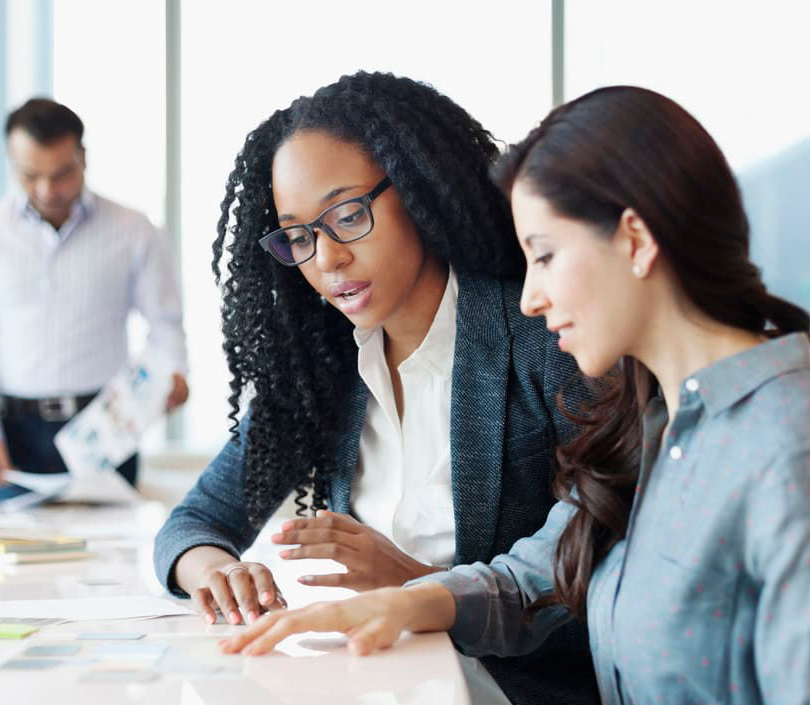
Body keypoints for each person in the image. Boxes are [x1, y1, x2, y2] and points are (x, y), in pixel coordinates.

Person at [219, 86, 810, 705]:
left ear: (635, 240)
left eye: (545, 255)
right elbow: (532, 579)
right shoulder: (659, 424)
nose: (530, 296)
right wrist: (405, 602)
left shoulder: (794, 441)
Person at [152, 72, 598, 705]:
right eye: (299, 236)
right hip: (383, 682)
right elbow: (193, 523)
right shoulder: (325, 369)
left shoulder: (544, 335)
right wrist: (219, 570)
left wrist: (417, 584)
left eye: (347, 216)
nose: (326, 259)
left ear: (417, 190)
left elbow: (596, 552)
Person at [0, 98, 189, 501]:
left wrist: (172, 371)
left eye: (61, 174)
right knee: (8, 544)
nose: (47, 190)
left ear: (83, 158)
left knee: (114, 544)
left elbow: (164, 322)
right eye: (30, 175)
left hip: (106, 431)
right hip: (13, 436)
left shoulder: (133, 230)